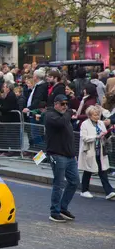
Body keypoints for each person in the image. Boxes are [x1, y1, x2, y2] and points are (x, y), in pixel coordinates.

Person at [45, 94, 79, 222]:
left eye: (66, 104)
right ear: (56, 104)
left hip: (69, 156)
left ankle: (63, 208)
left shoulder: (65, 116)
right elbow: (61, 123)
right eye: (62, 104)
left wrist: (73, 154)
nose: (65, 106)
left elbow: (69, 137)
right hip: (57, 155)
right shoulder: (50, 115)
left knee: (75, 181)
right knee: (59, 184)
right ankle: (54, 211)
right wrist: (69, 112)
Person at [77, 106, 115, 200]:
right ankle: (84, 190)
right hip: (89, 151)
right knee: (88, 171)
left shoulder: (101, 123)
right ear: (89, 115)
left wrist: (108, 134)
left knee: (102, 171)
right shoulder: (84, 124)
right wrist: (96, 136)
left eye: (98, 114)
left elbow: (105, 134)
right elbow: (84, 137)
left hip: (100, 150)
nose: (97, 116)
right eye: (95, 115)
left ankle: (109, 192)